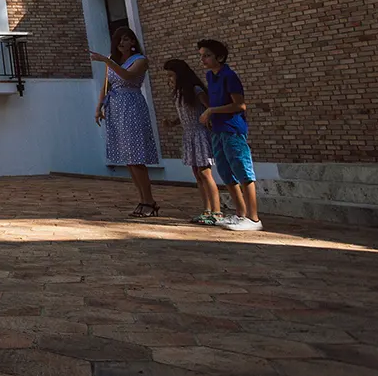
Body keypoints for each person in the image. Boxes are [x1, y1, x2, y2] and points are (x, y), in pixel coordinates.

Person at [92, 26, 162, 217]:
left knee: (136, 156)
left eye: (126, 39)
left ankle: (149, 200)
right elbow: (107, 84)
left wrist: (106, 61)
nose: (122, 43)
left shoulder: (140, 60)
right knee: (129, 159)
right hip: (115, 107)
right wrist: (99, 107)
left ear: (132, 42)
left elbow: (128, 76)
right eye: (119, 40)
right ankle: (142, 199)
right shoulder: (113, 60)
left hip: (131, 106)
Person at [198, 38, 261, 231]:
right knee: (225, 171)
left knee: (242, 169)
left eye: (207, 55)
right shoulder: (211, 76)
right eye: (201, 56)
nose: (203, 60)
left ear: (219, 56)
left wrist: (212, 111)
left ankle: (254, 217)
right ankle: (240, 213)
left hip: (232, 128)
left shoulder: (229, 76)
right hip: (217, 129)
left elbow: (239, 105)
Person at [163, 58, 221, 225]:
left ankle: (217, 211)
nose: (169, 79)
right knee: (197, 174)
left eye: (171, 75)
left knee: (205, 173)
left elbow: (209, 107)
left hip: (200, 133)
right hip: (189, 135)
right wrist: (173, 122)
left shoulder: (196, 90)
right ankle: (206, 210)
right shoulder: (181, 94)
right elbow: (186, 114)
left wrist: (209, 117)